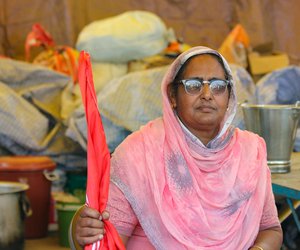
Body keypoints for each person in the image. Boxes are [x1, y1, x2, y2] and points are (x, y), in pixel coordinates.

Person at [71, 46, 283, 250]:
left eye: (218, 85)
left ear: (230, 97)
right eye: (193, 85)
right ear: (172, 95)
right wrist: (80, 231)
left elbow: (271, 228)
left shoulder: (249, 152)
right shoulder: (139, 153)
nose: (207, 94)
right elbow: (107, 240)